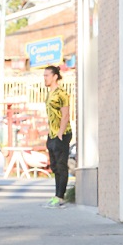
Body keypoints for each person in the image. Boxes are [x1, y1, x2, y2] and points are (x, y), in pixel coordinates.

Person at [42, 65, 73, 209]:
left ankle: (60, 197)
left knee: (61, 166)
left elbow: (65, 114)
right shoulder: (49, 93)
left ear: (55, 76)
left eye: (47, 75)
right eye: (44, 75)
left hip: (62, 134)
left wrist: (60, 133)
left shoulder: (61, 93)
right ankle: (56, 195)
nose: (45, 78)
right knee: (54, 166)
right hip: (52, 134)